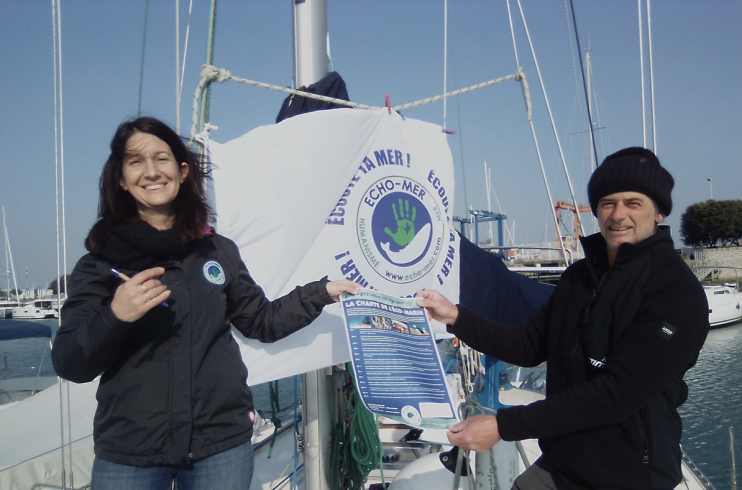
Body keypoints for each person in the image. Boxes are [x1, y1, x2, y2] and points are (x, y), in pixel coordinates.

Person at [52, 116, 359, 490]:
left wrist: (320, 292)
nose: (151, 171)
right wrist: (116, 315)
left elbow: (262, 322)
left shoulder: (218, 251)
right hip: (130, 451)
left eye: (161, 159)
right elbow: (70, 362)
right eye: (135, 161)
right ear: (120, 178)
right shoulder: (99, 264)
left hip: (220, 445)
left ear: (182, 171)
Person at [417, 147, 709, 490]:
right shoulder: (578, 278)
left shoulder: (675, 290)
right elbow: (529, 346)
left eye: (633, 203)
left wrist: (503, 426)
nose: (618, 214)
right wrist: (455, 316)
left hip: (629, 476)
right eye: (607, 203)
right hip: (561, 463)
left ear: (658, 212)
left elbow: (616, 393)